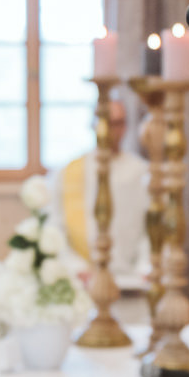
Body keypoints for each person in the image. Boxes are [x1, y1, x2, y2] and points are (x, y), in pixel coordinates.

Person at [43, 98, 150, 287]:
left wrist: (144, 267)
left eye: (118, 123)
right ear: (92, 124)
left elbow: (150, 226)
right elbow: (54, 226)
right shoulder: (68, 172)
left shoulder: (142, 171)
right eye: (105, 122)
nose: (111, 130)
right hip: (84, 279)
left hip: (131, 279)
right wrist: (76, 267)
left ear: (125, 126)